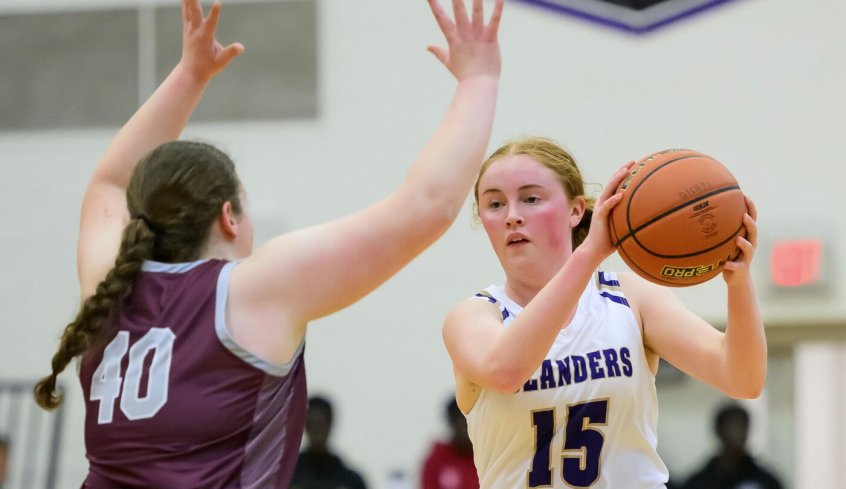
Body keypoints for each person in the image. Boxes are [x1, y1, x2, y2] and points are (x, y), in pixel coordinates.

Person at [32, 0, 504, 486]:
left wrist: (190, 75)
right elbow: (427, 206)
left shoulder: (107, 283)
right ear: (229, 218)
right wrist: (479, 81)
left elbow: (109, 183)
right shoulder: (250, 291)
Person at [441, 137, 767, 488]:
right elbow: (506, 371)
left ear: (575, 210)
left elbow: (742, 379)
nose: (512, 216)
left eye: (530, 198)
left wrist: (739, 284)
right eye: (494, 204)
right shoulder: (474, 317)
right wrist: (591, 253)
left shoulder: (631, 298)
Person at [681, 403, 783, 489]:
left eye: (742, 426)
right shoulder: (700, 483)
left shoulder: (764, 481)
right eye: (731, 427)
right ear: (718, 431)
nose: (737, 434)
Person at [290, 396, 366, 489]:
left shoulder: (351, 481)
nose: (316, 431)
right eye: (312, 424)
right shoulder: (289, 478)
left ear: (330, 424)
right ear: (305, 425)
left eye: (320, 424)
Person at [420, 397, 478, 489]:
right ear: (452, 423)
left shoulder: (490, 457)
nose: (467, 430)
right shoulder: (436, 461)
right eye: (462, 423)